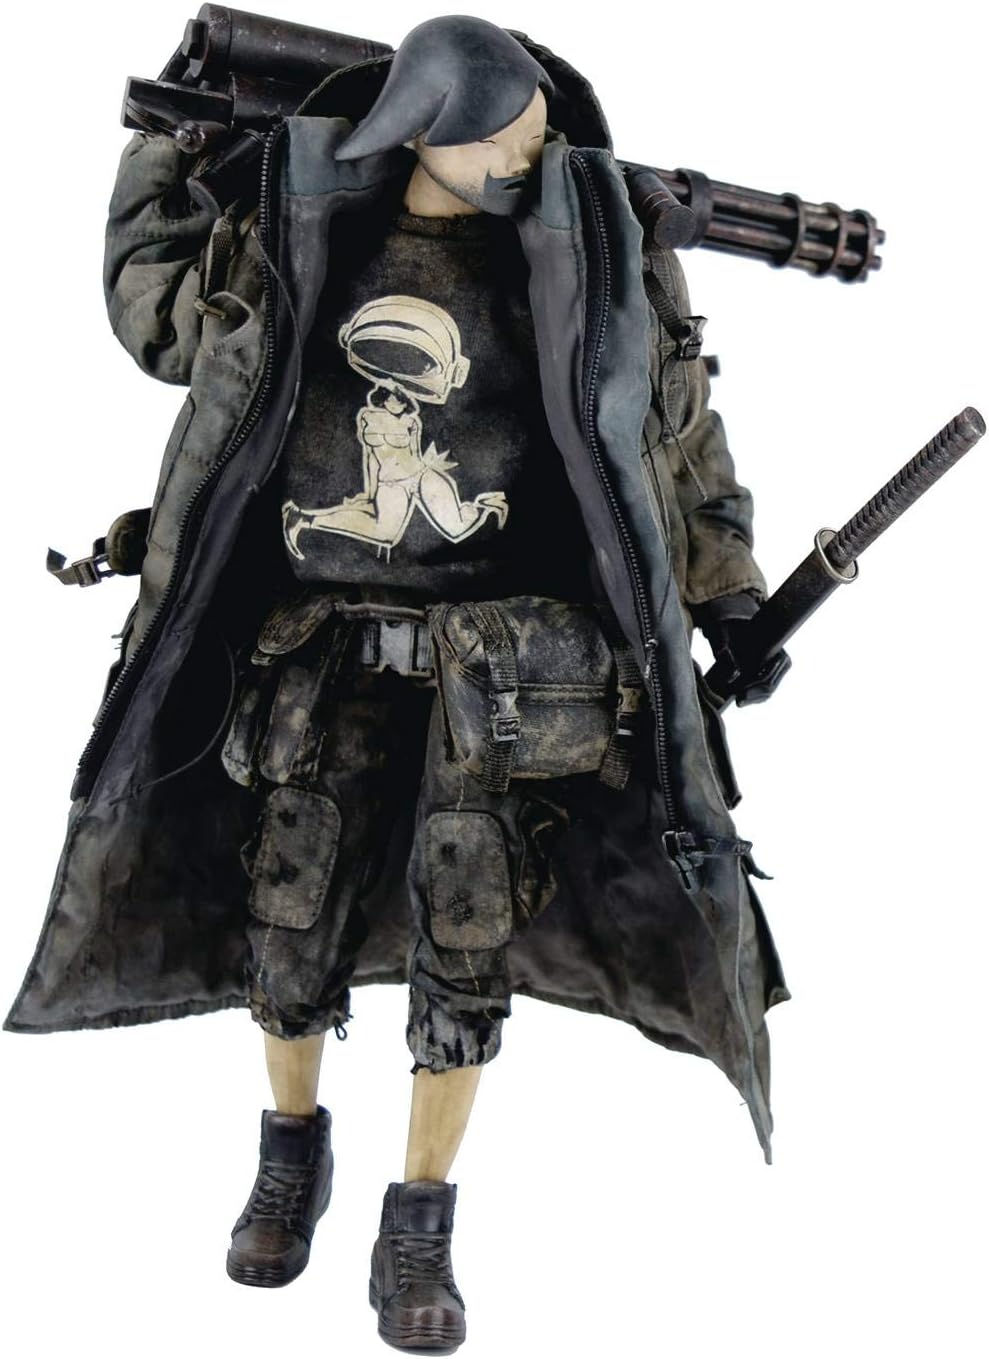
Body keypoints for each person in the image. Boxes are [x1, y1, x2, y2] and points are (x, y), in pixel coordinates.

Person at [5, 16, 787, 1353]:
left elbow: (676, 430)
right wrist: (160, 149)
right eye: (504, 138)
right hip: (313, 643)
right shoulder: (295, 229)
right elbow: (159, 318)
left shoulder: (589, 262)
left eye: (536, 135)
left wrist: (728, 594)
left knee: (466, 929)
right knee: (287, 907)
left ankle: (419, 1215)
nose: (530, 157)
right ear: (424, 131)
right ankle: (288, 1149)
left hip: (502, 672)